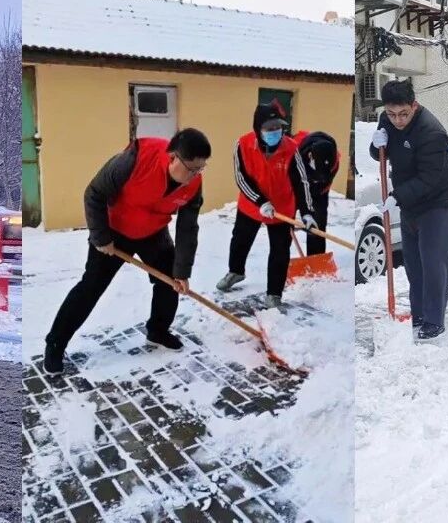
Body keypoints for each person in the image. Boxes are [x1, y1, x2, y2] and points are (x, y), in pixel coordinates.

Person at [42, 128, 209, 374]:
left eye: (201, 169)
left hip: (153, 233)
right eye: (191, 168)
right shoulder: (136, 159)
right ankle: (55, 344)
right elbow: (94, 193)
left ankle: (158, 331)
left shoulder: (194, 186)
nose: (195, 175)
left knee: (169, 280)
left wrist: (182, 271)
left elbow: (187, 229)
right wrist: (101, 237)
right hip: (113, 231)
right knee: (91, 287)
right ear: (173, 157)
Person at [368, 80, 448, 340]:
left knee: (433, 262)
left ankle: (434, 320)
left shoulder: (432, 132)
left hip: (437, 201)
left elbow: (430, 178)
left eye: (403, 114)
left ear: (414, 105)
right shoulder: (386, 120)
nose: (397, 120)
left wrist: (398, 196)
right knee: (413, 263)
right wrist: (376, 145)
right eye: (392, 114)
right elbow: (380, 153)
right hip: (410, 200)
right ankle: (417, 313)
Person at [215, 103, 315, 309]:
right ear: (258, 128)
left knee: (280, 250)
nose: (275, 132)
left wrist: (306, 212)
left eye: (278, 128)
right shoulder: (242, 145)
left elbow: (301, 180)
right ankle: (236, 271)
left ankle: (274, 294)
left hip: (282, 208)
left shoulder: (291, 148)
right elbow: (241, 178)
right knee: (240, 240)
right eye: (269, 129)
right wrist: (260, 202)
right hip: (252, 203)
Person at [293, 131, 340, 255]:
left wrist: (310, 211)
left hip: (319, 192)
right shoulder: (294, 153)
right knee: (285, 222)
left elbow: (325, 183)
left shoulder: (334, 160)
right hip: (292, 188)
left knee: (317, 222)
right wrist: (303, 206)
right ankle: (280, 258)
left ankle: (316, 257)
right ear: (310, 156)